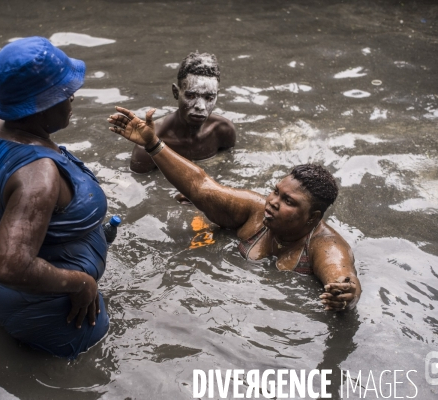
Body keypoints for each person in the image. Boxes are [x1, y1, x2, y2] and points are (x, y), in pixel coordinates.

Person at [109, 107, 362, 311]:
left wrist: (345, 295)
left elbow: (342, 276)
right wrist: (152, 143)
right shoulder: (256, 209)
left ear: (313, 218)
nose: (273, 201)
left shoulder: (325, 245)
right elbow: (200, 184)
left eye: (289, 202)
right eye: (276, 191)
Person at [0, 37, 109, 359]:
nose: (73, 96)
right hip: (45, 305)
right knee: (93, 370)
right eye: (65, 93)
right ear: (41, 105)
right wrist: (81, 283)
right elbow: (11, 266)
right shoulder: (38, 176)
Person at [129, 52, 236, 174]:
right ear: (175, 92)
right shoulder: (149, 144)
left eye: (209, 98)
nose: (200, 107)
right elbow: (137, 185)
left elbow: (227, 168)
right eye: (190, 96)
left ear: (218, 95)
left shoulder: (223, 131)